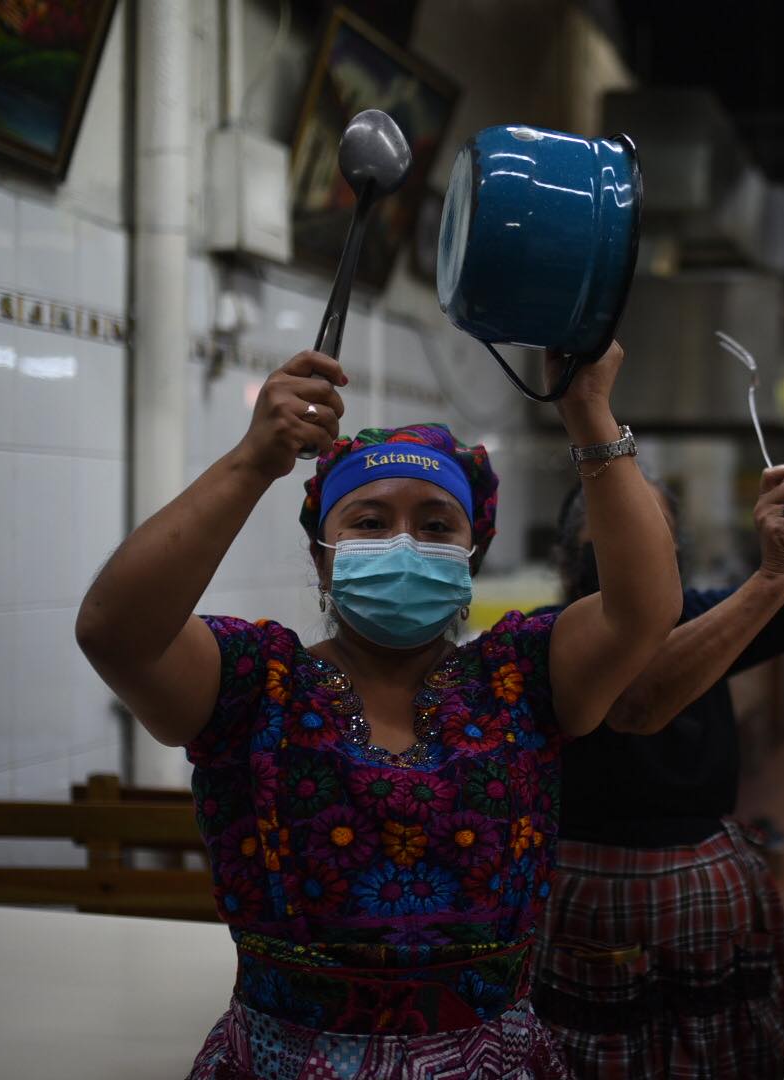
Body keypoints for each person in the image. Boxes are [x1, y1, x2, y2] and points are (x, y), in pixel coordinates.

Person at [74, 344, 681, 1079]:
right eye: (368, 522)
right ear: (324, 557)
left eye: (435, 527)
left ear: (470, 557)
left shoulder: (521, 678)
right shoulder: (253, 686)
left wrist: (587, 409)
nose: (403, 545)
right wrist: (254, 462)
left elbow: (644, 610)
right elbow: (115, 630)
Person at [531, 394, 784, 1079]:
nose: (631, 560)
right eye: (611, 543)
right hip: (585, 890)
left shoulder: (703, 617)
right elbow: (636, 697)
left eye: (651, 543)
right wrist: (769, 580)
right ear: (576, 554)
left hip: (706, 885)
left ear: (675, 557)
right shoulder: (546, 636)